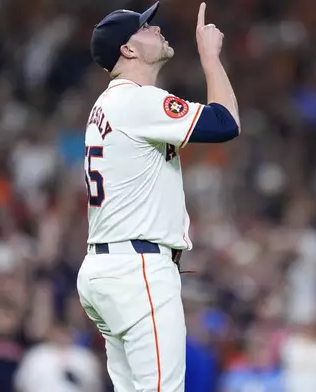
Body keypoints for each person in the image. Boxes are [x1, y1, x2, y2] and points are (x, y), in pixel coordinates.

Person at [76, 2, 240, 392]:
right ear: (128, 50)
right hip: (138, 270)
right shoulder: (136, 101)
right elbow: (226, 123)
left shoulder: (107, 105)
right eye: (145, 27)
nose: (156, 28)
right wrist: (210, 58)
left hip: (106, 267)